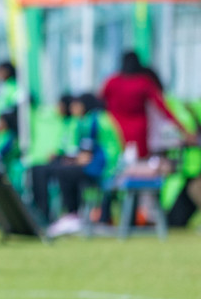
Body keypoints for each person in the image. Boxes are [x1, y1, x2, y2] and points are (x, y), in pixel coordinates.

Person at [26, 93, 107, 236]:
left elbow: (87, 156)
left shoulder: (93, 121)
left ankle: (72, 214)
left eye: (76, 105)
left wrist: (71, 159)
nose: (73, 108)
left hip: (105, 168)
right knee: (53, 169)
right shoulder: (85, 120)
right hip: (96, 164)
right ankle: (56, 214)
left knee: (63, 171)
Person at [101, 51, 186, 157]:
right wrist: (182, 128)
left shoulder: (112, 82)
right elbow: (162, 106)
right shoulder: (144, 82)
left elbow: (100, 101)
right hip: (138, 129)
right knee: (140, 161)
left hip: (115, 126)